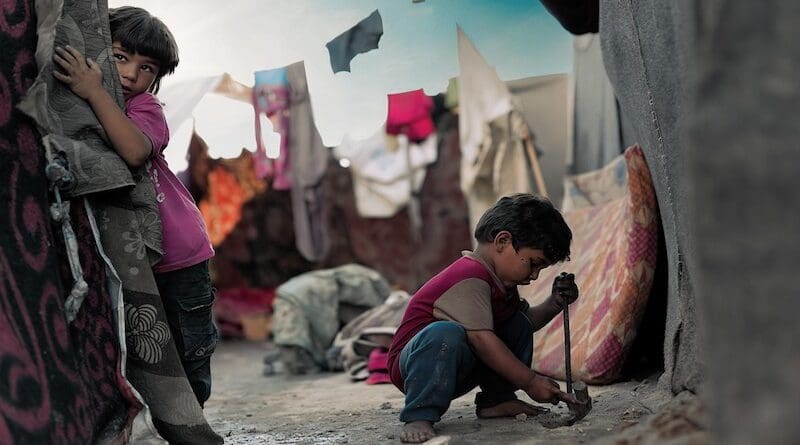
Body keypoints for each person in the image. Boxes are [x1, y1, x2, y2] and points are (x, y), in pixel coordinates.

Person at [52, 6, 218, 407]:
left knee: (189, 351)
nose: (130, 75)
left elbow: (133, 150)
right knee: (144, 347)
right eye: (121, 57)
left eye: (147, 68)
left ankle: (189, 421)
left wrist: (93, 90)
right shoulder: (74, 110)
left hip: (181, 255)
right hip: (130, 261)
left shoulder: (146, 108)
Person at [387, 193, 581, 443]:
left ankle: (496, 400)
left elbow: (524, 325)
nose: (534, 276)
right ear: (502, 241)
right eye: (533, 263)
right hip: (415, 366)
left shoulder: (502, 283)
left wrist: (554, 303)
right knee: (446, 333)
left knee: (516, 322)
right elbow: (480, 338)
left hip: (458, 363)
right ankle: (419, 413)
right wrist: (530, 381)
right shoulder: (470, 275)